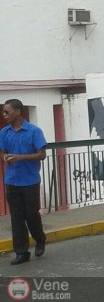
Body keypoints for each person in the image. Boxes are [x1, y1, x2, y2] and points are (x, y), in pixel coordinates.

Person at [0, 99, 47, 265]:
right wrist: (5, 157)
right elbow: (2, 151)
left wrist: (21, 157)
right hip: (11, 181)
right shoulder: (4, 132)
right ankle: (21, 252)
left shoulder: (34, 131)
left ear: (18, 112)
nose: (4, 115)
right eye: (3, 112)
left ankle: (40, 239)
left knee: (31, 215)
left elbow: (42, 154)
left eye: (7, 112)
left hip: (30, 181)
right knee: (17, 218)